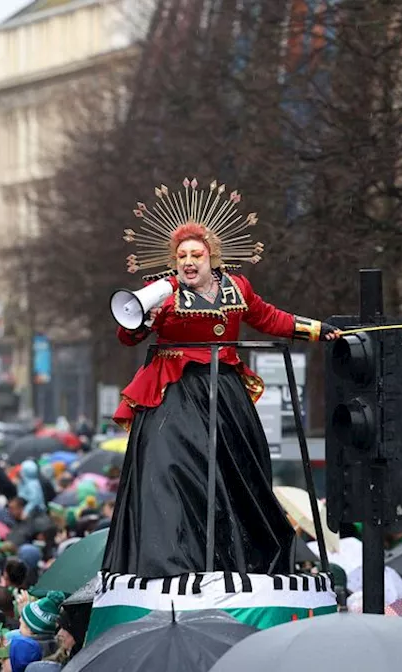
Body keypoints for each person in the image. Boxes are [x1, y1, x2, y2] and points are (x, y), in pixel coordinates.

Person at [105, 179, 339, 578]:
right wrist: (145, 314)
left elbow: (269, 318)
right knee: (171, 469)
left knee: (236, 473)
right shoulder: (161, 291)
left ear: (212, 255)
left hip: (223, 390)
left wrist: (319, 330)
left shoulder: (238, 286)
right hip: (175, 392)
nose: (188, 261)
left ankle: (238, 557)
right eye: (182, 255)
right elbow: (129, 336)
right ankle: (171, 562)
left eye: (196, 253)